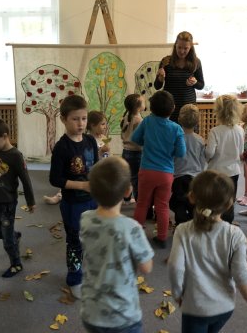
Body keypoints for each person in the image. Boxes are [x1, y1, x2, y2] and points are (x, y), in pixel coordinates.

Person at [168, 170, 247, 333]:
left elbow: (175, 266)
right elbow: (241, 272)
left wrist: (177, 293)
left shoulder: (182, 231)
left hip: (195, 308)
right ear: (229, 204)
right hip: (224, 307)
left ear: (191, 197)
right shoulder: (235, 235)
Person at [80, 157, 154, 333]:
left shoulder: (85, 219)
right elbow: (146, 267)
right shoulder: (131, 228)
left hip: (92, 312)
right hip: (124, 317)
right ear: (128, 191)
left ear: (91, 189)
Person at [49, 94, 99, 298]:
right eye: (75, 119)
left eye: (84, 118)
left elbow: (96, 167)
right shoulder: (62, 147)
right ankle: (75, 278)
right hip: (73, 204)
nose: (81, 124)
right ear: (63, 119)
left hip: (93, 201)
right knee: (75, 241)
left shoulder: (90, 141)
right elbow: (55, 179)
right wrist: (82, 185)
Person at [0, 117, 36, 278]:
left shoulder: (15, 156)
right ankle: (14, 236)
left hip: (7, 204)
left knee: (7, 241)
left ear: (5, 136)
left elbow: (26, 180)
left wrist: (31, 201)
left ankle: (16, 264)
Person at [131, 90, 186, 248]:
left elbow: (135, 139)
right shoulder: (176, 128)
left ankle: (135, 237)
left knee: (142, 203)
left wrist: (148, 143)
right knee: (162, 205)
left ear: (151, 108)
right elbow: (181, 153)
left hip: (146, 170)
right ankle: (162, 238)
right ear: (173, 108)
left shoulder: (147, 122)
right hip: (166, 173)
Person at [205, 95, 244, 223]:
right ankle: (228, 222)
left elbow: (209, 153)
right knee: (229, 199)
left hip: (217, 171)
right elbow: (241, 152)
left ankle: (213, 220)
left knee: (214, 198)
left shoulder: (215, 131)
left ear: (218, 112)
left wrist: (206, 157)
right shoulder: (240, 130)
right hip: (234, 171)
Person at [154, 31, 205, 123]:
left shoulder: (196, 62)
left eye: (186, 48)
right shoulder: (166, 61)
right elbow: (157, 86)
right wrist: (160, 79)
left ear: (191, 47)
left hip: (188, 108)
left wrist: (194, 83)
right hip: (169, 107)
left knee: (188, 131)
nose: (182, 51)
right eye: (179, 47)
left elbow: (201, 85)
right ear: (175, 46)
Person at [170, 104, 206, 226]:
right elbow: (202, 160)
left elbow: (171, 157)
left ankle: (180, 224)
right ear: (197, 122)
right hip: (195, 177)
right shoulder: (200, 140)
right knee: (193, 201)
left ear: (179, 119)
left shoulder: (175, 138)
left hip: (178, 176)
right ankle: (192, 222)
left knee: (179, 201)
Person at [120, 94, 145, 204]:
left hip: (126, 151)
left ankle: (127, 198)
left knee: (128, 175)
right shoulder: (139, 120)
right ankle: (139, 200)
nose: (145, 103)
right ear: (138, 107)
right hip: (136, 152)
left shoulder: (127, 117)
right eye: (143, 102)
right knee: (136, 178)